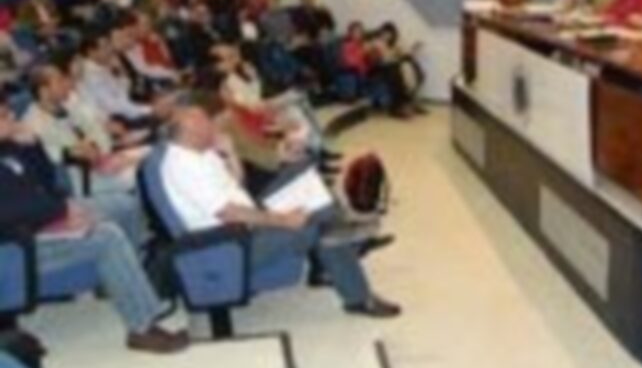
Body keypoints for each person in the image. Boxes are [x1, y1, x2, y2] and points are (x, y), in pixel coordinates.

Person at [161, 106, 401, 318]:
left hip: (249, 214)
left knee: (304, 169)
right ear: (189, 134)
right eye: (206, 125)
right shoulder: (184, 167)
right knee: (318, 222)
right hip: (234, 241)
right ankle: (357, 292)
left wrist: (231, 153)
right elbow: (228, 213)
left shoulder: (199, 151)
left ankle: (341, 246)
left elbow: (236, 185)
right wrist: (282, 220)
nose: (214, 127)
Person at [0, 99, 187, 354]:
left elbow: (43, 182)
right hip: (16, 246)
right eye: (3, 114)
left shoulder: (9, 148)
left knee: (121, 205)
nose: (12, 116)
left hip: (42, 223)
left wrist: (33, 147)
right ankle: (141, 327)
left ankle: (128, 280)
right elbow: (9, 211)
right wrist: (62, 210)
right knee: (106, 237)